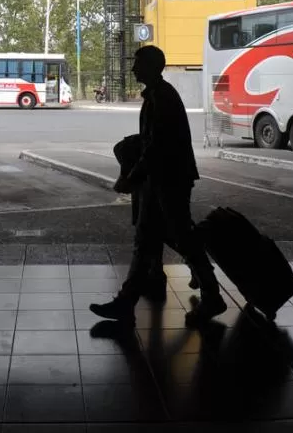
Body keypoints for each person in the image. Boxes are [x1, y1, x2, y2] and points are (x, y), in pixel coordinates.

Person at [90, 45, 227, 327]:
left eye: (137, 63)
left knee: (180, 237)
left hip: (170, 180)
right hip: (162, 179)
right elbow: (151, 143)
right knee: (147, 239)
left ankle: (212, 296)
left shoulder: (161, 98)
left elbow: (155, 147)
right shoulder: (157, 95)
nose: (132, 69)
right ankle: (126, 303)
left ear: (152, 66)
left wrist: (131, 177)